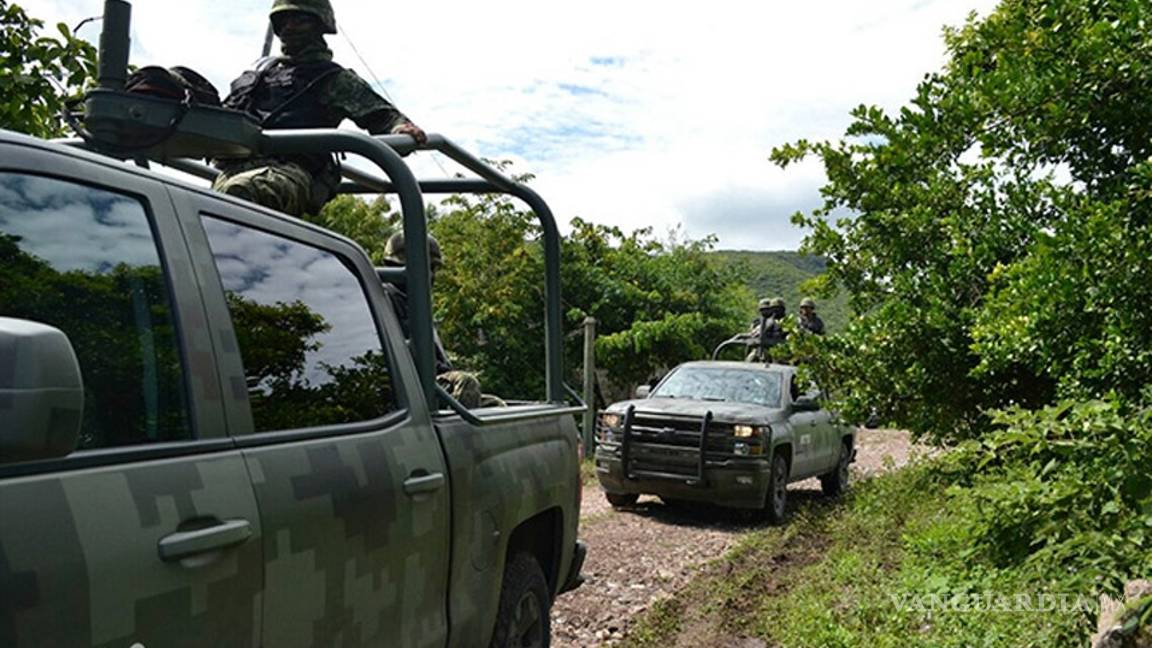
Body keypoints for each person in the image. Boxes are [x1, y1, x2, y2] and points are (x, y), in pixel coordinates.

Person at [212, 0, 427, 217]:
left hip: (289, 172)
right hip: (231, 170)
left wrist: (401, 129)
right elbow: (220, 117)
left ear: (319, 23)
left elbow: (384, 116)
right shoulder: (258, 75)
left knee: (241, 193)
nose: (289, 27)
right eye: (283, 21)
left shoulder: (332, 79)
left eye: (299, 20)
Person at [380, 231, 482, 408]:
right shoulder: (385, 297)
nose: (433, 276)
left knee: (495, 405)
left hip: (431, 380)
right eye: (429, 268)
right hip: (409, 384)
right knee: (466, 383)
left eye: (434, 269)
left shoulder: (415, 302)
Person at [746, 297, 787, 361]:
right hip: (764, 348)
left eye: (778, 308)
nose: (776, 311)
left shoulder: (788, 322)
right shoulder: (766, 321)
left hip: (781, 351)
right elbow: (755, 334)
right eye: (774, 308)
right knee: (751, 358)